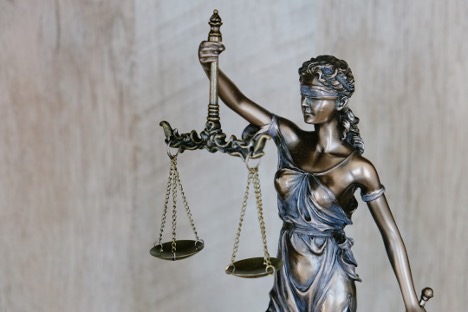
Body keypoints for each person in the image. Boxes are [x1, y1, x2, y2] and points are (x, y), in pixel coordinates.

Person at [199, 41, 426, 312]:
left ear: (340, 101)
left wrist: (411, 303)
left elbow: (390, 234)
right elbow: (238, 102)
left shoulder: (359, 168)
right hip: (287, 278)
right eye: (303, 95)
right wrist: (209, 66)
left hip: (331, 278)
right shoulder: (290, 139)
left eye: (316, 96)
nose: (306, 104)